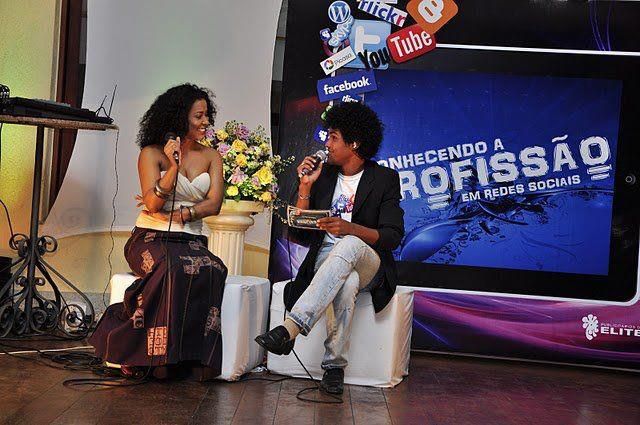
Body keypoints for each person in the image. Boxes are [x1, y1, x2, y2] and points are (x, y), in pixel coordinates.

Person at [255, 102, 404, 394]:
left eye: (334, 137)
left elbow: (392, 236)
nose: (327, 144)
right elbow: (298, 231)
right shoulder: (323, 176)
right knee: (346, 283)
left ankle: (290, 328)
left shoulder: (384, 179)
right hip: (326, 261)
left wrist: (351, 229)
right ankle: (334, 368)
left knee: (350, 244)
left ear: (354, 143)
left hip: (367, 260)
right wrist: (305, 187)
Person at [90, 83, 227, 379]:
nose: (206, 122)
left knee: (214, 268)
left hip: (191, 238)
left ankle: (193, 356)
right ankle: (149, 353)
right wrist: (173, 169)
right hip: (150, 237)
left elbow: (214, 203)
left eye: (207, 115)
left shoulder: (212, 156)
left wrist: (184, 214)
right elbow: (152, 204)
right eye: (198, 116)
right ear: (178, 118)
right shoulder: (152, 153)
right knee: (170, 268)